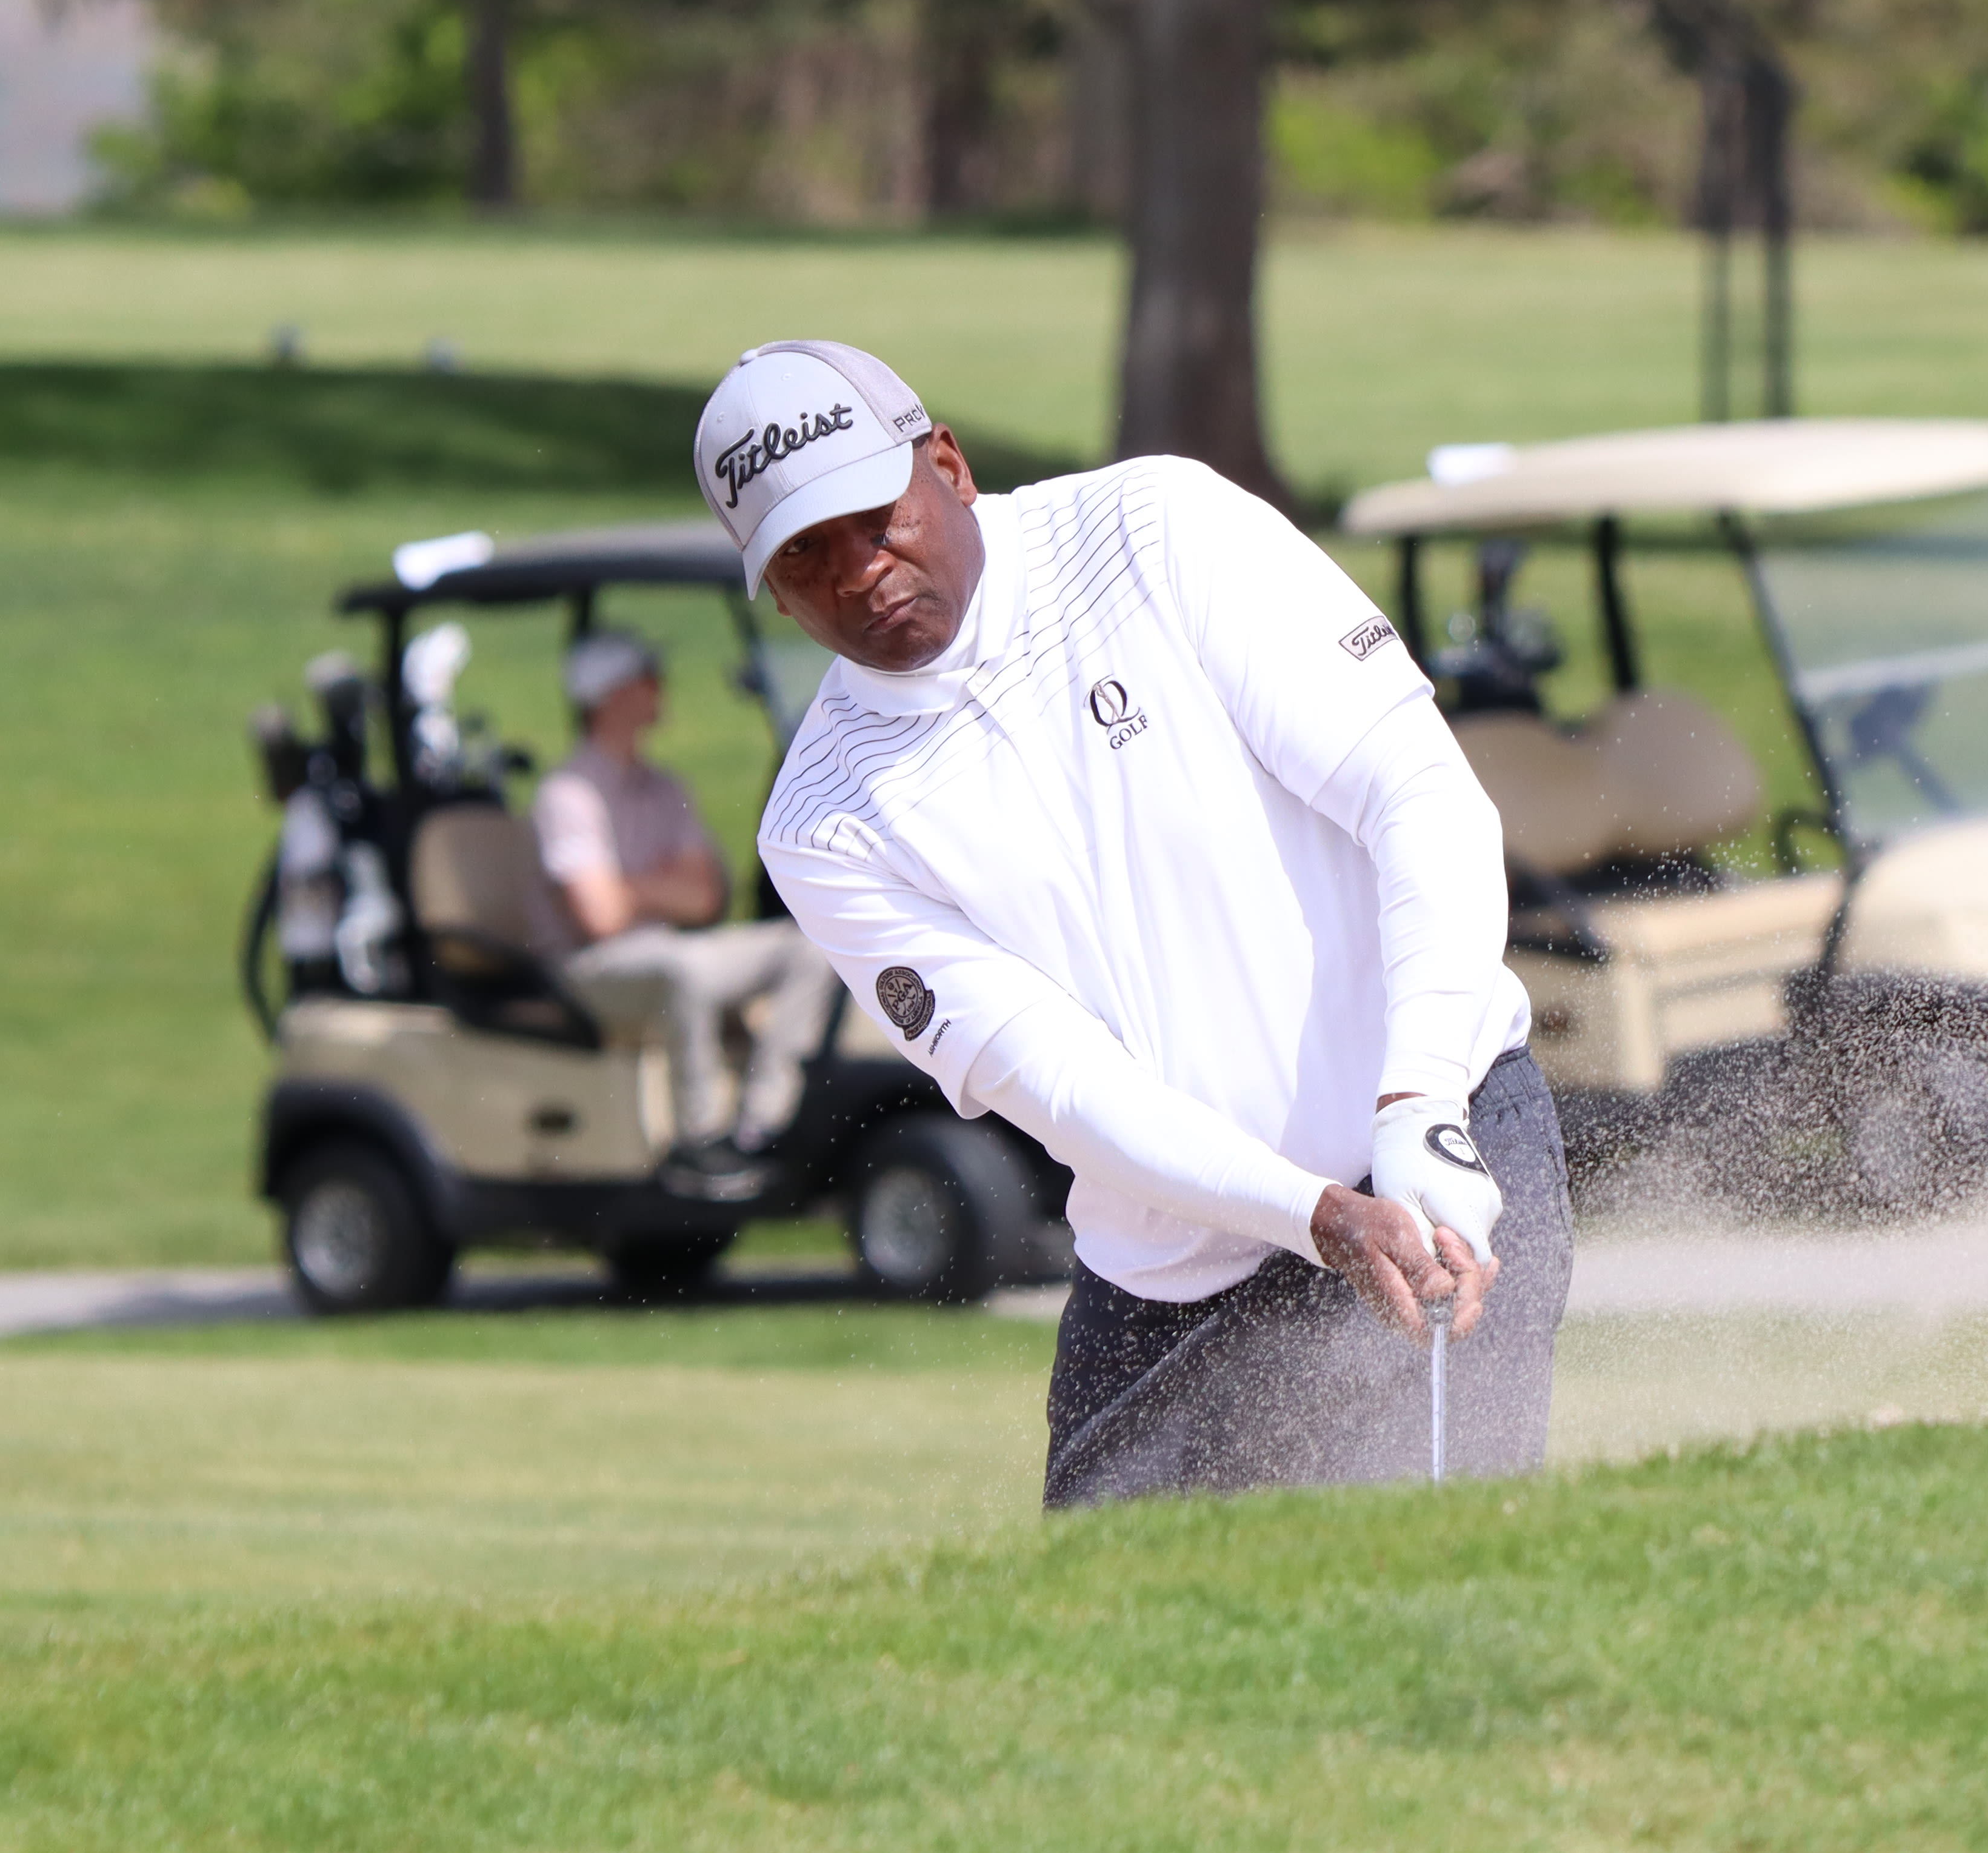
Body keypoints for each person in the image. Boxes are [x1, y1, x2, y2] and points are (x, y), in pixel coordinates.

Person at [702, 338, 1561, 1508]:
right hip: (1169, 1266)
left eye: (874, 518)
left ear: (945, 464)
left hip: (1437, 1151)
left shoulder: (1155, 529)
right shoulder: (823, 823)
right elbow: (1063, 1087)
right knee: (1116, 1653)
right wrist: (1315, 1216)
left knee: (1435, 1578)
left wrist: (1420, 1103)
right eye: (805, 557)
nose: (857, 573)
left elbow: (1419, 798)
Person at [534, 629, 841, 1182]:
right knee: (687, 969)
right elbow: (598, 918)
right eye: (646, 677)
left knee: (808, 948)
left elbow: (704, 898)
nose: (660, 687)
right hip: (587, 971)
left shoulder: (663, 786)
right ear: (611, 696)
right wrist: (659, 887)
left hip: (662, 946)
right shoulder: (568, 795)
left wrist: (628, 887)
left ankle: (762, 1123)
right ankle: (699, 1136)